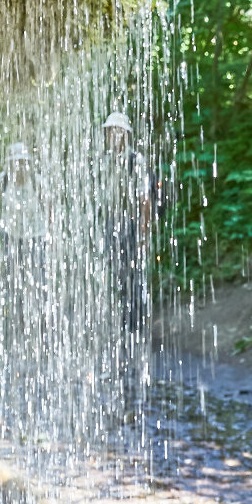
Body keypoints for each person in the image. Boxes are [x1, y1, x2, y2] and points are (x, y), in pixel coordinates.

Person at [0, 142, 49, 357]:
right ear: (10, 164)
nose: (19, 166)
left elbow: (48, 207)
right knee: (14, 281)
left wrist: (52, 234)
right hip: (12, 237)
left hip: (36, 236)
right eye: (16, 162)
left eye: (23, 162)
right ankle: (18, 323)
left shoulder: (36, 182)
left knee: (38, 282)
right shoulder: (3, 181)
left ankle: (41, 325)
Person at [102, 112, 152, 336]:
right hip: (110, 222)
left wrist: (143, 231)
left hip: (130, 222)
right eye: (110, 131)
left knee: (133, 273)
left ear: (126, 135)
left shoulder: (135, 160)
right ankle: (125, 320)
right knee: (118, 273)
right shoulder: (103, 161)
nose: (114, 134)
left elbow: (144, 199)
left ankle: (136, 321)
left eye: (118, 130)